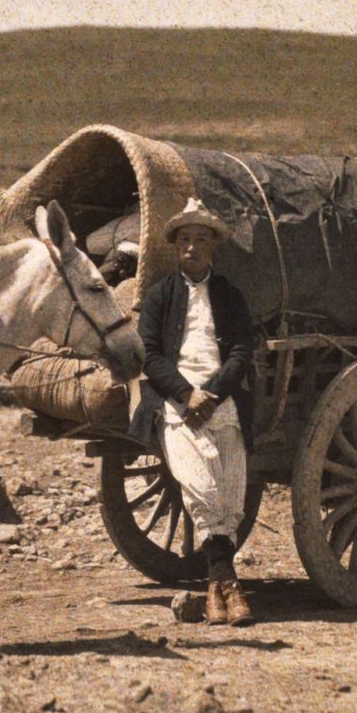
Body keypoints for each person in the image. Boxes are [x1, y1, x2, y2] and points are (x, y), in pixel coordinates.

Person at [135, 197, 258, 626]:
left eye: (200, 240)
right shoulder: (159, 296)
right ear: (174, 247)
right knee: (202, 488)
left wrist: (215, 393)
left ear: (212, 247)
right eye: (184, 240)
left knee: (229, 491)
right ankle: (228, 584)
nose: (192, 248)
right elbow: (149, 355)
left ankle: (216, 588)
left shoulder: (228, 295)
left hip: (222, 403)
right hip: (177, 405)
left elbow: (242, 348)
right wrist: (188, 395)